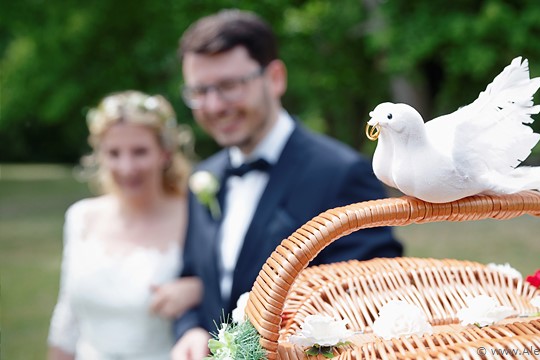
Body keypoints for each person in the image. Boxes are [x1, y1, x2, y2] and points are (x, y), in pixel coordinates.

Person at [172, 9, 403, 359]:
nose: (214, 105)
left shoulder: (342, 173)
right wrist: (190, 328)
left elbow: (373, 296)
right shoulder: (205, 177)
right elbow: (196, 277)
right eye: (200, 91)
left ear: (275, 78)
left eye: (229, 86)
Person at [47, 91, 203, 360]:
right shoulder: (81, 218)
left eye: (140, 152)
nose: (127, 167)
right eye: (114, 153)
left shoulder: (195, 216)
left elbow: (229, 293)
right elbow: (66, 321)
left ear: (164, 153)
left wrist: (200, 289)